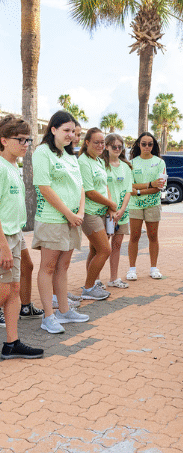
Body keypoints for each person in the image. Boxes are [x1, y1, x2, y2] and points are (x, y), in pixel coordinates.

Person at [32, 110, 88, 334]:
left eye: (73, 131)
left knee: (63, 267)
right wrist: (68, 213)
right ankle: (48, 316)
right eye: (66, 130)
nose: (71, 135)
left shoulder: (70, 156)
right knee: (48, 267)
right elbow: (44, 188)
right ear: (53, 129)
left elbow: (80, 187)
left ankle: (64, 311)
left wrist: (80, 213)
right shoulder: (42, 152)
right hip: (53, 220)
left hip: (73, 220)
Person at [0, 115, 43, 358]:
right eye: (21, 139)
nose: (26, 143)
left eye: (28, 139)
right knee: (5, 291)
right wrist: (4, 246)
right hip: (3, 238)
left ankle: (11, 343)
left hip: (15, 234)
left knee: (14, 289)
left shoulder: (13, 166)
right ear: (4, 140)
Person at [77, 128, 114, 300]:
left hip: (102, 212)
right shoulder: (83, 162)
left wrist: (110, 206)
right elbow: (90, 191)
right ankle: (88, 287)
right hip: (90, 212)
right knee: (105, 250)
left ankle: (92, 283)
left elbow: (104, 186)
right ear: (87, 143)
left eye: (102, 143)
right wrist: (111, 203)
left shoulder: (98, 161)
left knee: (94, 250)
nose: (100, 145)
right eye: (96, 142)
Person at [126, 132, 166, 281]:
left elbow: (159, 187)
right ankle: (132, 269)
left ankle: (154, 268)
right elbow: (129, 186)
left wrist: (138, 191)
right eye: (144, 144)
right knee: (134, 237)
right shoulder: (132, 163)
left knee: (153, 236)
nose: (147, 147)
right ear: (138, 145)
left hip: (153, 205)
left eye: (150, 144)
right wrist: (149, 185)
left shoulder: (159, 162)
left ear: (153, 146)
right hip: (135, 205)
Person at [104, 133, 133, 288]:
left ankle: (113, 278)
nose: (116, 149)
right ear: (106, 146)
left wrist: (122, 209)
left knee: (117, 245)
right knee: (100, 248)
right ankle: (94, 280)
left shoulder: (126, 167)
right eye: (113, 146)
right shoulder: (101, 164)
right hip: (105, 213)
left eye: (119, 147)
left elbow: (128, 190)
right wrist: (111, 209)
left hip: (122, 213)